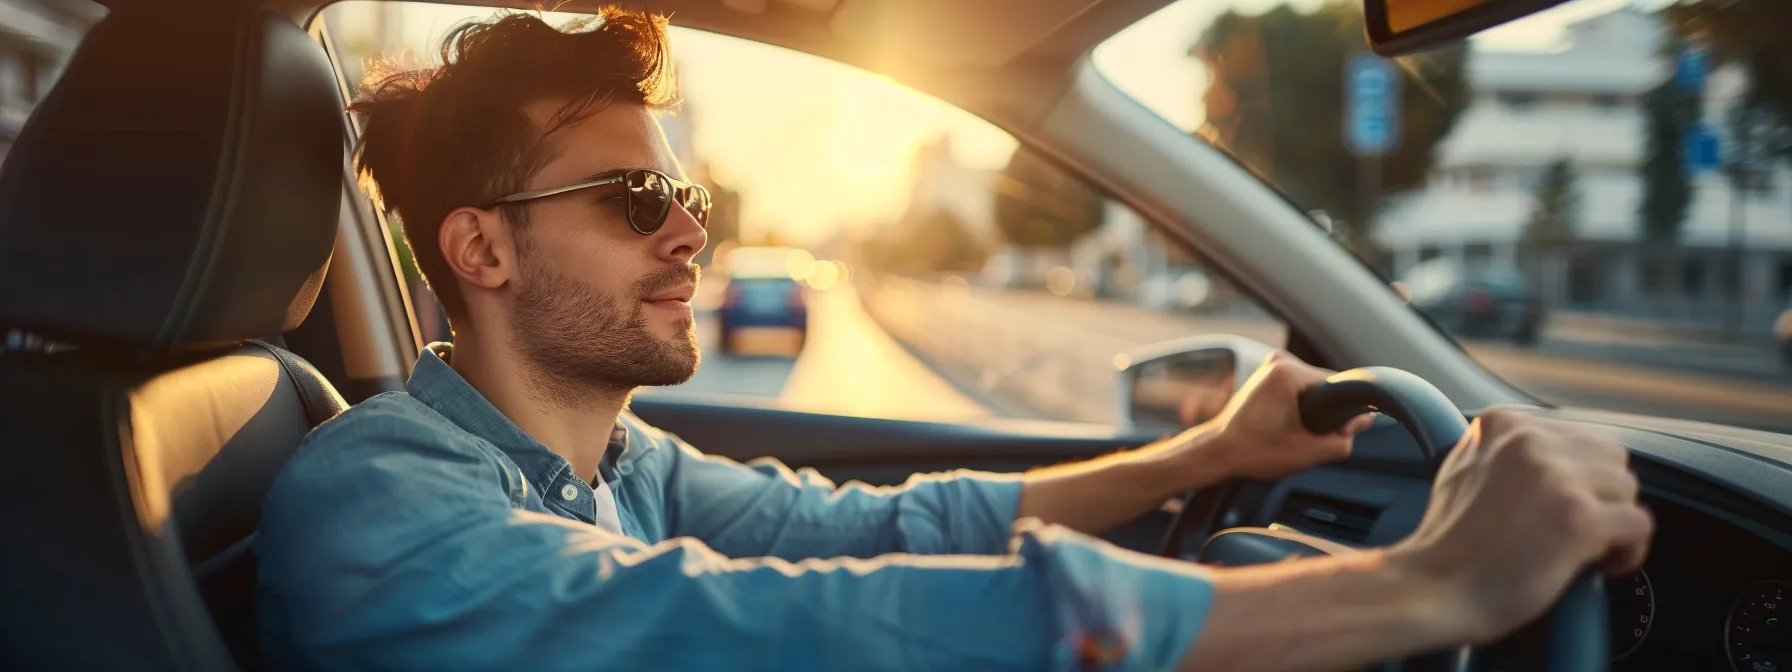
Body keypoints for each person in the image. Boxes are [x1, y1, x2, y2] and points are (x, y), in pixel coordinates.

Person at [256, 10, 1652, 671]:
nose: (691, 234)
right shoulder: (373, 496)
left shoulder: (624, 467)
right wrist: (1427, 589)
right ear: (480, 249)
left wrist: (1215, 448)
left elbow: (899, 533)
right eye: (636, 200)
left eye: (688, 195)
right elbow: (768, 627)